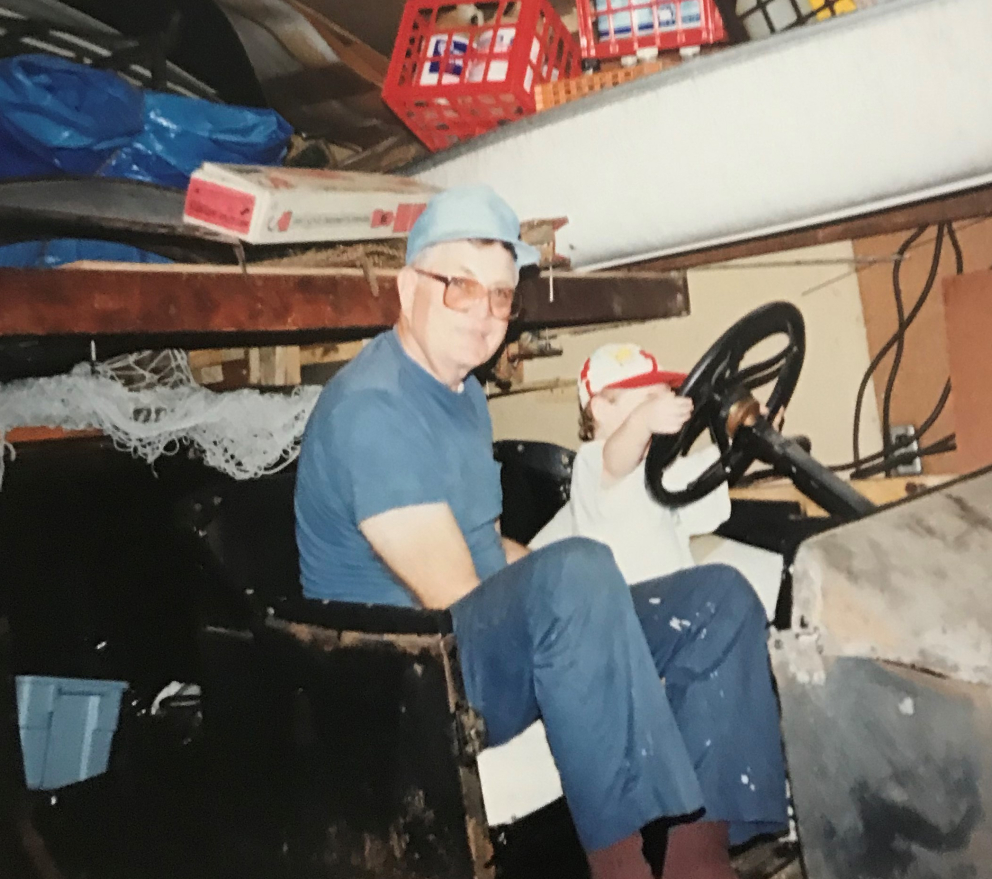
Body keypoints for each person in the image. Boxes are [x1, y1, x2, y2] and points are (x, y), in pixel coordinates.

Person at [294, 184, 786, 879]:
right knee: (579, 575)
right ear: (408, 288)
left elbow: (489, 546)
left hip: (466, 640)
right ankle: (623, 869)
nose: (486, 313)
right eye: (460, 286)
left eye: (500, 295)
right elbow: (455, 598)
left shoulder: (461, 394)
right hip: (404, 675)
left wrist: (594, 580)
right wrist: (579, 588)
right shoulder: (372, 411)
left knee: (717, 600)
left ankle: (697, 864)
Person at [554, 343, 731, 585]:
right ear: (601, 410)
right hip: (625, 606)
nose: (665, 403)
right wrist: (643, 421)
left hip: (672, 602)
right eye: (649, 400)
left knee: (729, 582)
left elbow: (708, 473)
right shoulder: (591, 462)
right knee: (728, 586)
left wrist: (744, 434)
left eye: (668, 395)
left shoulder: (659, 467)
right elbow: (613, 462)